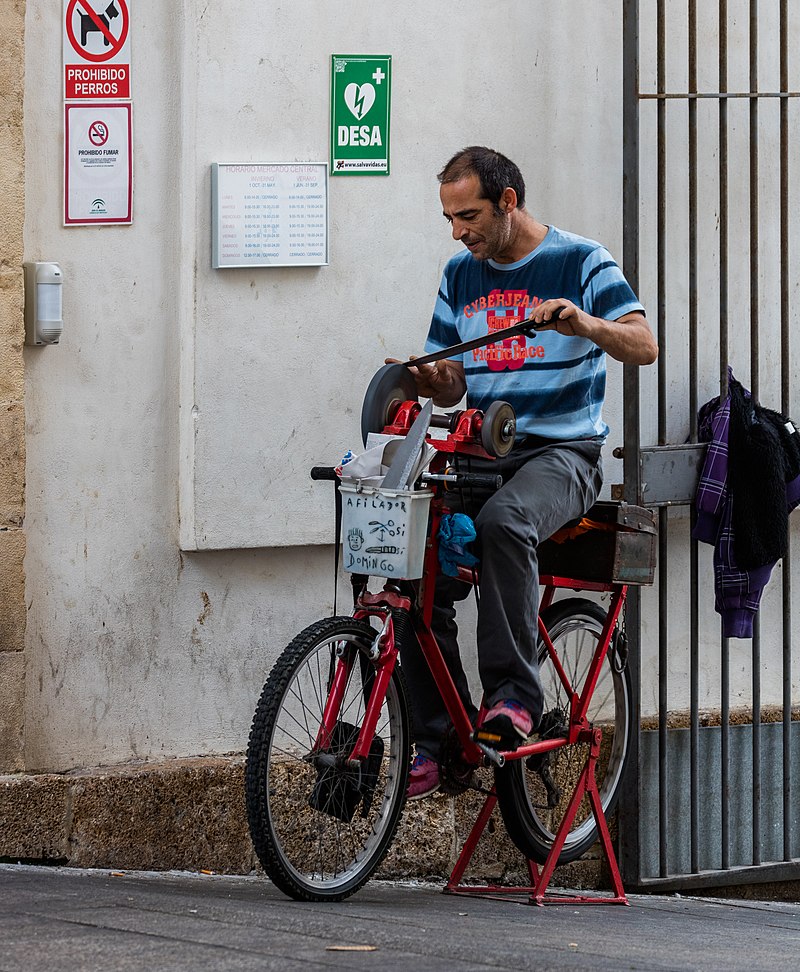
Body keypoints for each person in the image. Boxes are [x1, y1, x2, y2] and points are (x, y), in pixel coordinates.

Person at [393, 146, 658, 799]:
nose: (459, 231)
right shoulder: (461, 275)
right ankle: (444, 741)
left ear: (509, 201)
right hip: (484, 450)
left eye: (470, 215)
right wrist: (433, 377)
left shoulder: (580, 260)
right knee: (411, 569)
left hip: (562, 456)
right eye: (451, 218)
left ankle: (513, 701)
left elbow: (643, 344)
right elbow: (453, 386)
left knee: (506, 523)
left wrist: (585, 321)